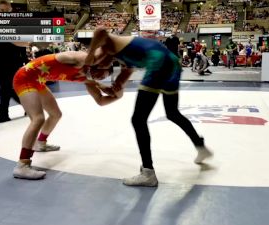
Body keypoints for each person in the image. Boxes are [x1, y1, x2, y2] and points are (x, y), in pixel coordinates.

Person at [84, 28, 213, 187]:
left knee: (138, 119)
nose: (100, 68)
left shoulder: (109, 45)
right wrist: (116, 85)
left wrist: (89, 56)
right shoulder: (120, 56)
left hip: (158, 62)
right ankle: (200, 146)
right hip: (172, 63)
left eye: (97, 65)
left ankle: (148, 172)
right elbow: (125, 73)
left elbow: (100, 30)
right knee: (172, 113)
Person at [12, 51, 118, 180]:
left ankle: (40, 143)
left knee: (55, 114)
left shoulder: (89, 79)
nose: (96, 77)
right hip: (24, 78)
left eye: (100, 77)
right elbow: (91, 54)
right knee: (38, 118)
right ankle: (22, 165)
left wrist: (117, 95)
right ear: (97, 64)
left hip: (37, 80)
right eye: (99, 73)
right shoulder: (80, 59)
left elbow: (100, 101)